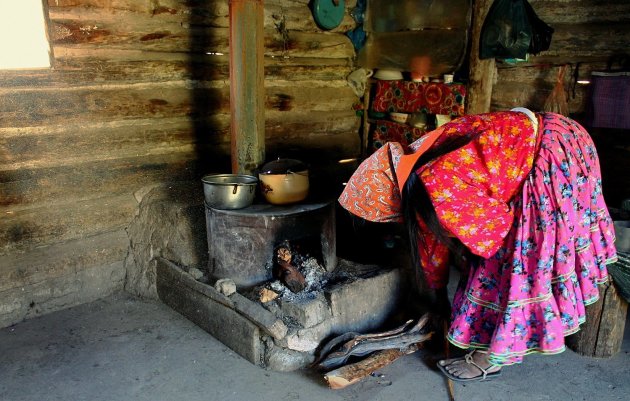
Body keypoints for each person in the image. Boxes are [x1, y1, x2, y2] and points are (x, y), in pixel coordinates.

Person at [338, 109, 618, 381]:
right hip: (564, 133)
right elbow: (430, 239)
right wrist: (437, 295)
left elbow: (494, 234)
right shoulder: (416, 160)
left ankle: (491, 358)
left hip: (553, 156)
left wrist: (452, 277)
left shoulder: (436, 184)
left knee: (505, 264)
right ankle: (480, 335)